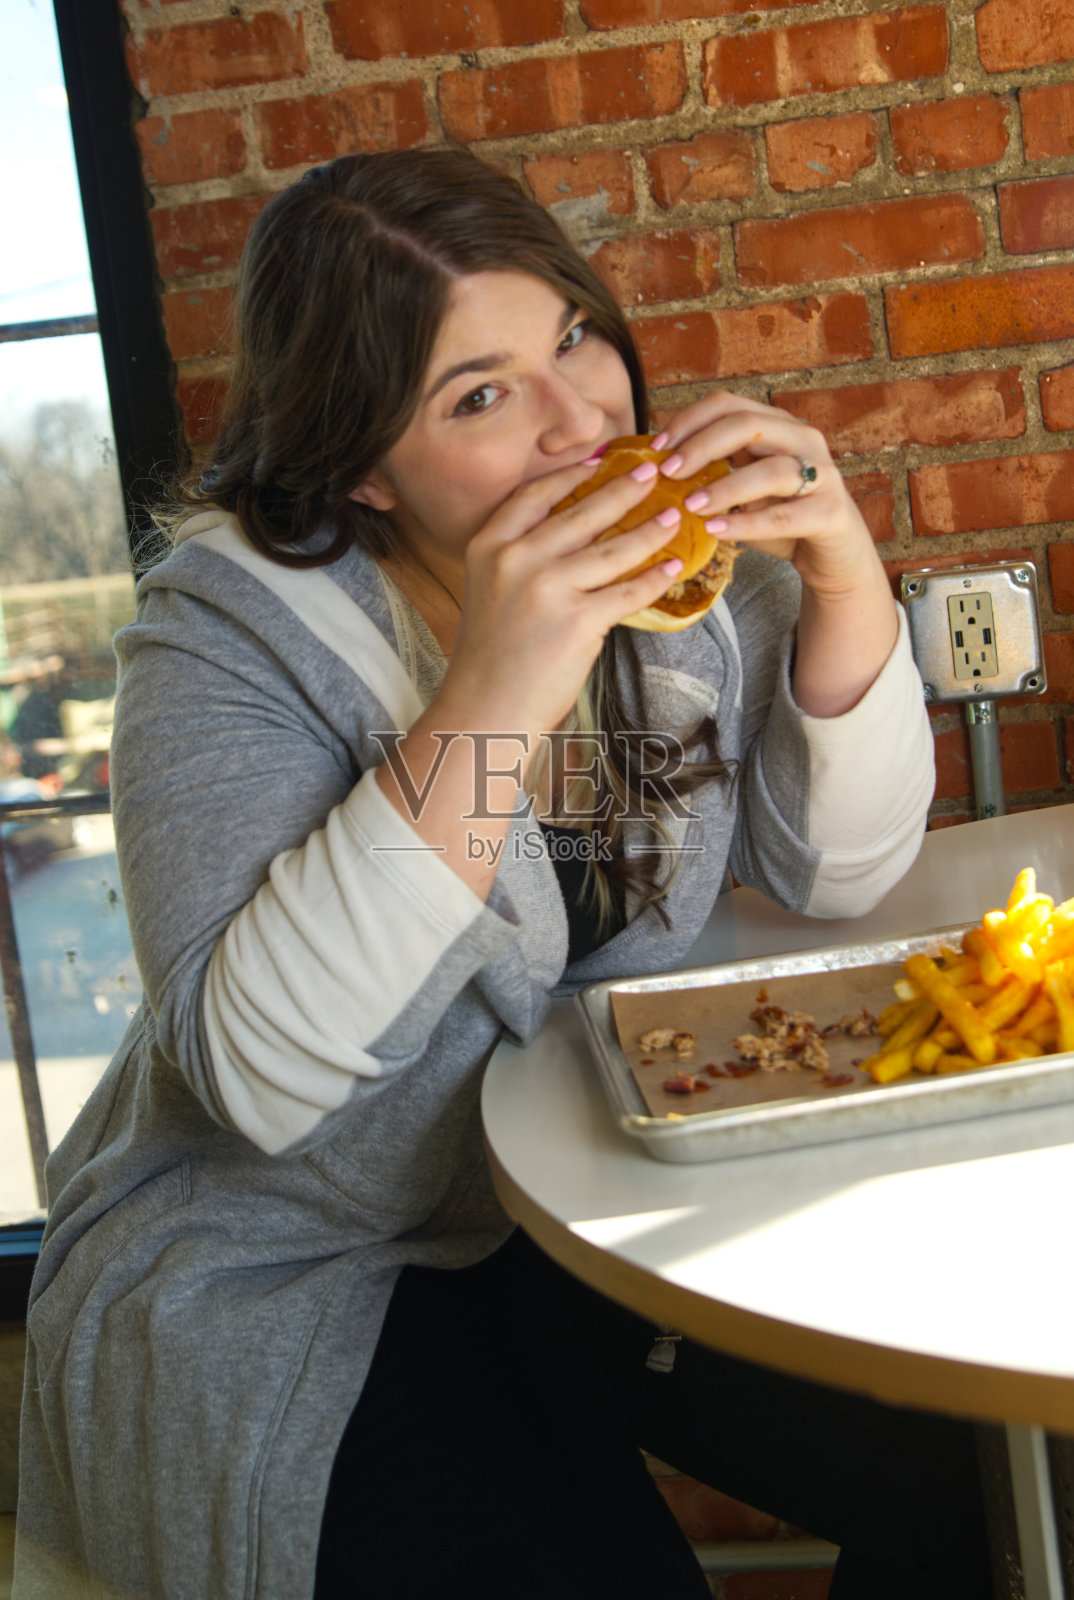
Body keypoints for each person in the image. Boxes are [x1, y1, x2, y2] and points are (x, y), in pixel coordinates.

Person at [13, 149, 992, 1600]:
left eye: (573, 339)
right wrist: (504, 680)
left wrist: (844, 577)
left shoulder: (682, 593)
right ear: (358, 463)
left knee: (988, 1487)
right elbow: (263, 1078)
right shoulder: (225, 638)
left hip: (590, 1193)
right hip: (298, 1261)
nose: (575, 424)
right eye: (478, 397)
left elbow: (838, 873)